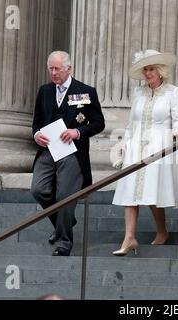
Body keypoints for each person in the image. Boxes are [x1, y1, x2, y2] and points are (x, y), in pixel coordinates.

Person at [111, 49, 178, 256]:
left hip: (159, 144)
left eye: (151, 68)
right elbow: (131, 124)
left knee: (152, 190)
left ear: (160, 70)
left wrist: (177, 130)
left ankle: (162, 231)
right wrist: (124, 145)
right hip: (136, 144)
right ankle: (129, 238)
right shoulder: (138, 93)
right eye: (145, 69)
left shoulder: (173, 92)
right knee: (130, 191)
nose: (148, 73)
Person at [31, 51, 105, 256]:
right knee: (38, 190)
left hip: (73, 152)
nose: (53, 73)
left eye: (57, 69)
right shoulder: (44, 91)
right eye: (51, 69)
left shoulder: (85, 91)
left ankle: (64, 242)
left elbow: (99, 123)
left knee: (65, 196)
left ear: (68, 68)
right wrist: (37, 134)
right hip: (48, 150)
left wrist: (78, 132)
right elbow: (36, 121)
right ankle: (65, 220)